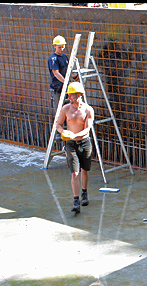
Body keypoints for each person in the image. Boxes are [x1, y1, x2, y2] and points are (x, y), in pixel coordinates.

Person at [56, 82, 94, 213]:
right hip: (71, 144)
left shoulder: (88, 110)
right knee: (74, 173)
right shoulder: (65, 109)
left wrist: (74, 135)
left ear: (78, 95)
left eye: (71, 94)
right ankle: (76, 200)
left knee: (84, 170)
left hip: (84, 142)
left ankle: (84, 193)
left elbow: (87, 129)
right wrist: (63, 132)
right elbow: (58, 125)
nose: (69, 97)